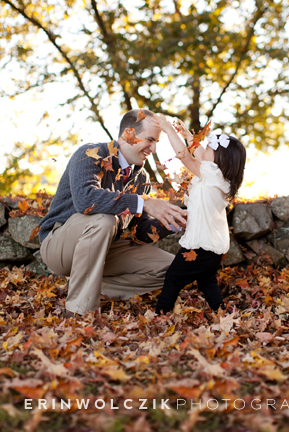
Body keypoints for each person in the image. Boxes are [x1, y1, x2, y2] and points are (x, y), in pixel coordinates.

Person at [38, 109, 188, 316]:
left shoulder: (141, 177)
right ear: (128, 134)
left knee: (173, 268)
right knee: (103, 219)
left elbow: (139, 233)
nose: (153, 149)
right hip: (60, 246)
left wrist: (173, 220)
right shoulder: (91, 154)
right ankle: (78, 311)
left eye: (156, 143)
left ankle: (90, 287)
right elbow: (86, 200)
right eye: (150, 140)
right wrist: (143, 202)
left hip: (106, 249)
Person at [153, 115, 246, 314]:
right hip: (213, 247)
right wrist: (188, 135)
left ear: (220, 159)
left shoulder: (211, 174)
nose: (203, 150)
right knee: (207, 282)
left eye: (210, 149)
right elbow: (199, 152)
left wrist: (169, 130)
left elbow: (184, 155)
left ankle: (160, 315)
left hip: (201, 246)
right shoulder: (218, 178)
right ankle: (221, 314)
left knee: (173, 278)